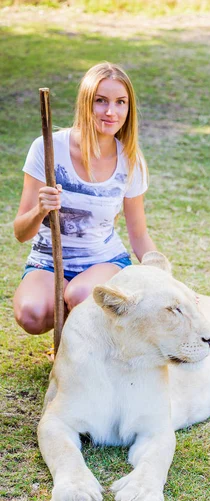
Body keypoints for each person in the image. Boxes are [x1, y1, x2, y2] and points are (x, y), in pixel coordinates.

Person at [13, 62, 156, 335]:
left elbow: (139, 236)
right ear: (86, 103)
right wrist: (40, 210)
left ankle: (77, 334)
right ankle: (75, 322)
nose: (111, 112)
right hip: (47, 262)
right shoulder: (47, 148)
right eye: (101, 101)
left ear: (129, 108)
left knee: (81, 295)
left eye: (120, 102)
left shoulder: (131, 161)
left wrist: (166, 279)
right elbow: (21, 233)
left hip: (103, 261)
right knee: (31, 313)